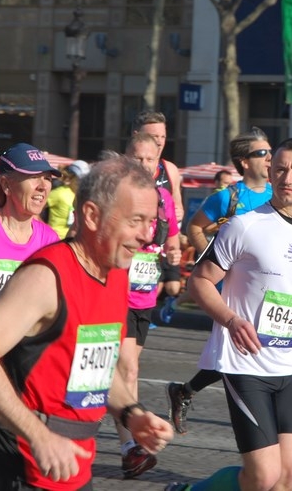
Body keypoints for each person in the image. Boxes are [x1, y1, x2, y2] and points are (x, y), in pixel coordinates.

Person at [0, 155, 175, 490]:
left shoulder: (114, 273)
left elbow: (90, 364)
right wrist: (39, 436)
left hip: (70, 463)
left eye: (151, 221)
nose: (146, 234)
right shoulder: (46, 276)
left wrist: (131, 412)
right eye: (136, 220)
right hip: (11, 463)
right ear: (93, 216)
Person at [164, 138, 292, 491]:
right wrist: (231, 320)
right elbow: (199, 284)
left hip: (290, 367)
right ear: (271, 171)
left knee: (288, 475)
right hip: (245, 365)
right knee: (263, 476)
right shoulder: (244, 226)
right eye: (280, 169)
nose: (287, 177)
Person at [166, 127, 273, 435]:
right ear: (244, 161)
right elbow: (195, 228)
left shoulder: (278, 193)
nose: (269, 158)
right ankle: (259, 428)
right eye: (262, 153)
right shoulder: (227, 197)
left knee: (242, 353)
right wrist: (214, 258)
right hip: (235, 290)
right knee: (241, 353)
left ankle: (185, 391)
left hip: (270, 289)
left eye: (270, 151)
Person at [117, 133, 181, 478]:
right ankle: (132, 446)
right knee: (128, 369)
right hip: (117, 293)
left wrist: (172, 264)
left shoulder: (164, 197)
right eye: (136, 158)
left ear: (158, 161)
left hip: (145, 295)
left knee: (128, 369)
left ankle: (110, 411)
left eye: (149, 159)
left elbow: (171, 238)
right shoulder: (119, 193)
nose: (143, 165)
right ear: (126, 158)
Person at [0, 143, 61, 304]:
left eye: (47, 178)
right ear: (6, 185)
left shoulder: (50, 239)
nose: (43, 187)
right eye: (33, 177)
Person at [133, 111, 184, 223]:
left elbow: (178, 209)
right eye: (154, 137)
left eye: (163, 137)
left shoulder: (170, 170)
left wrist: (178, 213)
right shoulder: (119, 169)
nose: (160, 142)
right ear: (136, 135)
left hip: (161, 238)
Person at [44, 160, 89, 240]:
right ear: (69, 178)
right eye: (79, 179)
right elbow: (35, 209)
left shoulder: (81, 195)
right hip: (54, 240)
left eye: (85, 180)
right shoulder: (59, 193)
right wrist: (43, 229)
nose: (82, 183)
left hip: (72, 240)